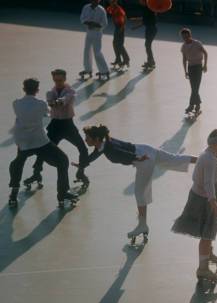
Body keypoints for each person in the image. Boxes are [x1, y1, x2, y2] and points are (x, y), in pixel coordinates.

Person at [80, 125, 197, 242]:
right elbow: (96, 153)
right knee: (174, 159)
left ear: (96, 139)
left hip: (143, 159)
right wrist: (83, 163)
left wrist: (138, 158)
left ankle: (142, 225)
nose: (85, 140)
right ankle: (203, 158)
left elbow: (123, 153)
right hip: (146, 149)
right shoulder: (105, 143)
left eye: (87, 137)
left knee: (139, 193)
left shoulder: (109, 149)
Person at [8, 78, 79, 208]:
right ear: (37, 90)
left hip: (23, 142)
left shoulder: (16, 103)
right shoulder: (41, 104)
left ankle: (13, 193)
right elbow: (48, 113)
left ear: (24, 89)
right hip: (41, 142)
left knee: (18, 164)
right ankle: (62, 194)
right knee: (62, 161)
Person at [172, 129, 217, 282]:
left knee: (209, 232)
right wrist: (214, 204)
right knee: (206, 234)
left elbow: (211, 172)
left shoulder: (209, 154)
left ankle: (208, 255)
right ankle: (203, 268)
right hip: (204, 200)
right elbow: (208, 183)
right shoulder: (210, 160)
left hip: (203, 196)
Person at [24, 69, 91, 190]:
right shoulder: (50, 92)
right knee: (43, 151)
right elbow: (50, 102)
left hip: (68, 125)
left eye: (60, 80)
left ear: (64, 79)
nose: (58, 82)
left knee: (82, 148)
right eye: (55, 80)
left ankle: (81, 172)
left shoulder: (71, 91)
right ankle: (36, 173)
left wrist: (59, 101)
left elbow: (66, 99)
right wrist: (52, 102)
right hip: (55, 126)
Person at [180, 28, 209, 115]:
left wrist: (205, 65)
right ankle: (197, 105)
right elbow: (184, 59)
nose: (184, 39)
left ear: (190, 35)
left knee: (195, 88)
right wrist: (185, 71)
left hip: (198, 67)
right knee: (194, 88)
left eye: (186, 36)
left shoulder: (197, 43)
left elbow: (205, 53)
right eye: (183, 37)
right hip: (191, 68)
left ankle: (191, 105)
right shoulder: (183, 46)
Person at [79, 0, 110, 79]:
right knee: (87, 51)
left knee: (97, 52)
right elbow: (82, 18)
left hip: (97, 33)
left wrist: (96, 25)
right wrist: (88, 23)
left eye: (97, 0)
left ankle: (104, 70)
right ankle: (88, 69)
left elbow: (105, 23)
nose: (95, 1)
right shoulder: (86, 7)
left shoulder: (101, 10)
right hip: (89, 32)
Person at [131, 0, 157, 70]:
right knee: (148, 46)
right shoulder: (147, 8)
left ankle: (151, 62)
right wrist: (136, 19)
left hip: (151, 29)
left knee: (147, 46)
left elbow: (145, 21)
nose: (139, 1)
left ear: (144, 1)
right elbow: (145, 18)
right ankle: (151, 61)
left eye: (141, 0)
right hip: (150, 29)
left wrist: (135, 27)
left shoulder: (148, 9)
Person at [107, 0, 130, 69]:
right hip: (117, 27)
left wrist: (121, 29)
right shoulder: (113, 8)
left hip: (120, 28)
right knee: (115, 44)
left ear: (115, 2)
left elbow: (124, 19)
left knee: (119, 45)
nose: (111, 3)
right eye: (110, 2)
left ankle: (126, 59)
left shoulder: (119, 10)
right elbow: (108, 10)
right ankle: (118, 59)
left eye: (112, 2)